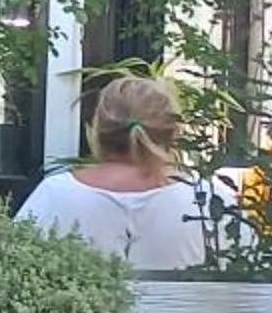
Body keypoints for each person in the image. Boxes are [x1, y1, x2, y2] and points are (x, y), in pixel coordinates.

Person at [15, 75, 205, 271]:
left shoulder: (54, 196)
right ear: (174, 132)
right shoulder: (208, 200)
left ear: (98, 129)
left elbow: (10, 268)